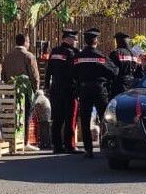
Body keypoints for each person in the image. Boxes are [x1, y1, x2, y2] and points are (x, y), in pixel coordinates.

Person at [73, 29, 119, 159]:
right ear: (96, 41)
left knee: (86, 120)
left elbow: (73, 72)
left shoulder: (78, 57)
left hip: (84, 90)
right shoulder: (100, 56)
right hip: (99, 90)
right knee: (104, 120)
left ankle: (88, 150)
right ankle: (103, 146)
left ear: (86, 41)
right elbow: (114, 71)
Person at [45, 28, 79, 153]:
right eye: (74, 39)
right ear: (68, 39)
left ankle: (57, 145)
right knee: (70, 118)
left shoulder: (54, 51)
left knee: (57, 118)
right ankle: (70, 145)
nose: (76, 41)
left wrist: (46, 86)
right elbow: (74, 73)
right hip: (69, 90)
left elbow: (49, 71)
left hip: (55, 89)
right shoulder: (72, 53)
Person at [1, 33, 41, 132]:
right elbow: (34, 76)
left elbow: (3, 75)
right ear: (26, 42)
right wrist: (36, 89)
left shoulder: (7, 56)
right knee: (26, 115)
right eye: (29, 42)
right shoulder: (29, 56)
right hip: (25, 91)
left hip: (11, 91)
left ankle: (13, 138)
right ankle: (25, 141)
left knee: (12, 115)